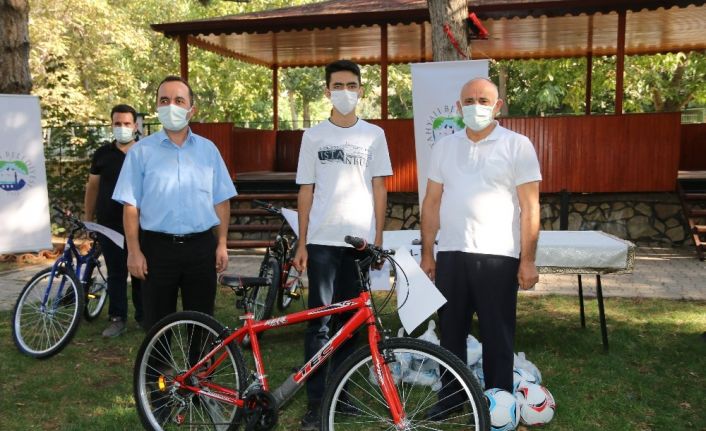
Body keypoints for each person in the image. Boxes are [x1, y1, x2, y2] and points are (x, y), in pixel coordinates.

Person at [420, 77, 542, 419]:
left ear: (498, 106)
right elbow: (431, 202)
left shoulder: (518, 145)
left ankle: (498, 404)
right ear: (459, 108)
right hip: (451, 254)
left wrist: (528, 260)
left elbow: (530, 207)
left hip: (499, 257)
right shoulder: (444, 147)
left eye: (484, 100)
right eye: (470, 101)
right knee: (451, 334)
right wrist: (428, 253)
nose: (476, 106)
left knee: (497, 335)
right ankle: (451, 398)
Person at [292, 59, 393, 431]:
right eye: (338, 85)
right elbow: (306, 191)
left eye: (351, 85)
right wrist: (302, 243)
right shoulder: (313, 136)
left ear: (361, 91)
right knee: (319, 325)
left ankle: (342, 395)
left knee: (350, 324)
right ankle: (317, 403)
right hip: (321, 242)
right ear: (327, 91)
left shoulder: (374, 135)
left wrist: (377, 240)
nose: (345, 92)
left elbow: (380, 188)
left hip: (359, 245)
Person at [112, 76, 236, 332]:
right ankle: (160, 361)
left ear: (192, 109)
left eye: (179, 100)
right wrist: (134, 251)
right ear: (157, 107)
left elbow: (221, 200)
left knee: (202, 324)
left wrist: (222, 244)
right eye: (164, 100)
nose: (171, 106)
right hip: (157, 250)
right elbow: (130, 206)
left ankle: (200, 361)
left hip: (201, 249)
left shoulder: (208, 150)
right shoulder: (140, 152)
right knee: (157, 326)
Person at [84, 104, 144, 337]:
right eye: (117, 123)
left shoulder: (145, 151)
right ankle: (117, 318)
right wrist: (88, 219)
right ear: (111, 125)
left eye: (127, 123)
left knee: (142, 271)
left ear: (135, 126)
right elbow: (93, 187)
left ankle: (144, 317)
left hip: (142, 224)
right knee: (116, 273)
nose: (122, 127)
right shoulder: (102, 154)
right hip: (109, 225)